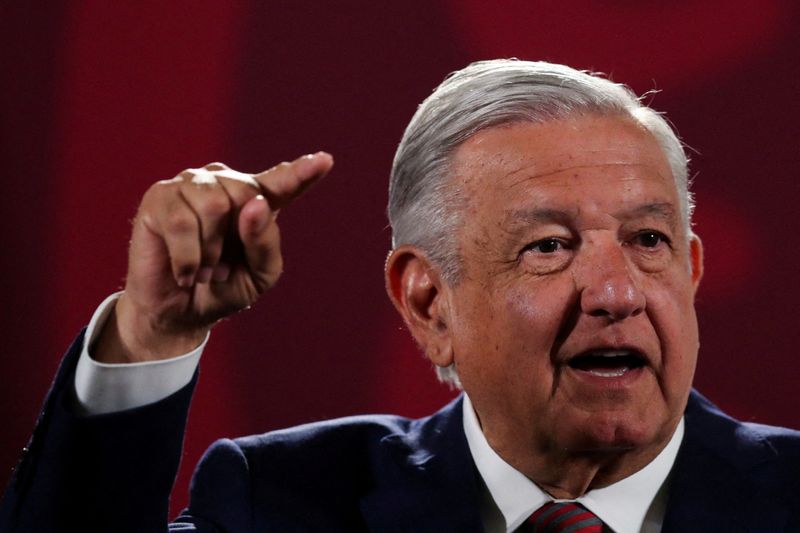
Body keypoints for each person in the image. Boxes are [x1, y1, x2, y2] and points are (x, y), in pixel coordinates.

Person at [2, 59, 800, 532]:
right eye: (549, 245)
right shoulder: (284, 502)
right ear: (428, 303)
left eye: (648, 240)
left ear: (691, 272)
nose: (618, 291)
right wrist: (150, 336)